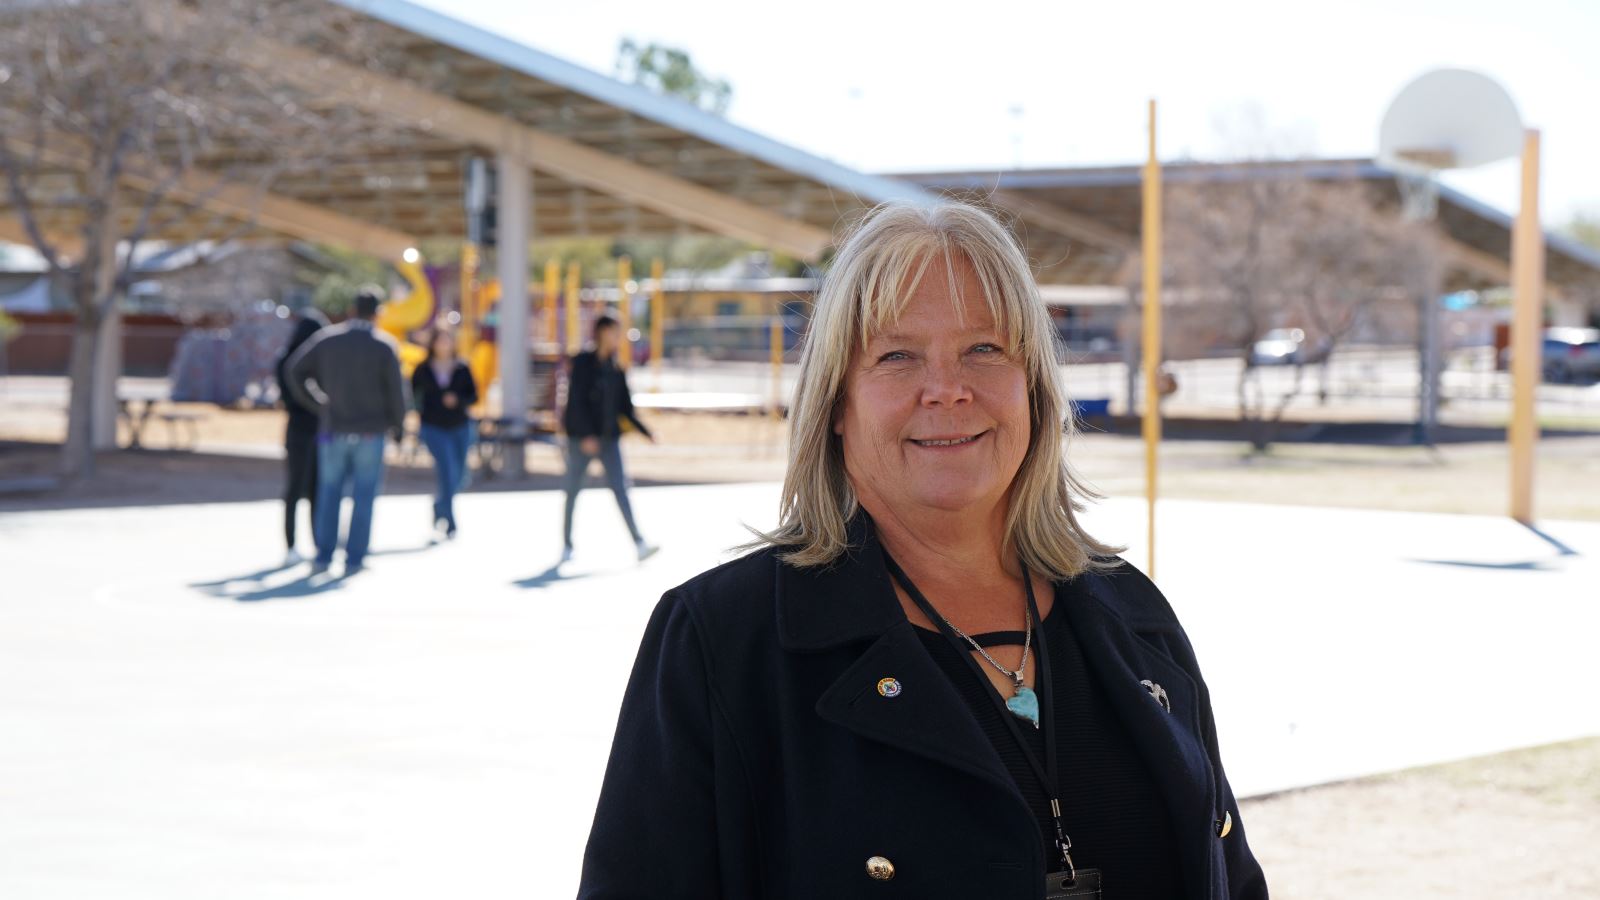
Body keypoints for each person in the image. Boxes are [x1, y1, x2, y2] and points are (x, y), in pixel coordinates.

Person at [578, 202, 1268, 899]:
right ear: (837, 404)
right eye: (897, 356)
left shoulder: (1136, 618)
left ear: (1031, 386)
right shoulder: (721, 645)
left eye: (985, 349)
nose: (947, 389)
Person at [284, 287, 406, 576]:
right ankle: (355, 557)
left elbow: (294, 370)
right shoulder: (383, 345)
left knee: (330, 493)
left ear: (352, 310)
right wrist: (398, 427)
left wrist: (317, 402)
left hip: (333, 429)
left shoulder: (328, 340)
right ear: (377, 313)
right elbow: (396, 393)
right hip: (370, 432)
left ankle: (324, 555)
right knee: (364, 495)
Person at [560, 314, 657, 564]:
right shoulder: (582, 363)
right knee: (573, 490)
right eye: (615, 331)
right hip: (581, 440)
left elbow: (625, 408)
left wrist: (645, 432)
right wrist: (584, 435)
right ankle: (567, 545)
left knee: (620, 489)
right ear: (602, 332)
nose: (618, 337)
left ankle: (639, 542)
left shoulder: (616, 369)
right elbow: (575, 403)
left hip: (609, 440)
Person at [411, 326, 478, 539]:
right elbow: (414, 397)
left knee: (460, 475)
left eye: (447, 340)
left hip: (459, 425)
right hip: (434, 427)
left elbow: (473, 396)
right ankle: (450, 521)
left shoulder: (462, 368)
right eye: (440, 340)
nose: (444, 345)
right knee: (447, 470)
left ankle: (440, 506)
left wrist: (457, 400)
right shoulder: (423, 369)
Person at [275, 308, 327, 565]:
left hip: (302, 429)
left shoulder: (291, 361)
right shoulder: (292, 364)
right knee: (301, 488)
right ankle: (296, 544)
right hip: (306, 429)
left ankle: (314, 543)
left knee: (311, 487)